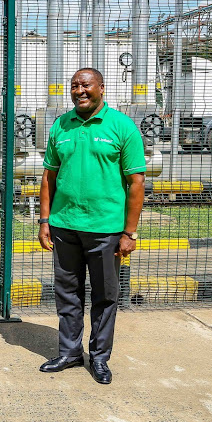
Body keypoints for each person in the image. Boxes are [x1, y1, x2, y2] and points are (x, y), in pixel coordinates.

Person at [38, 68, 145, 385]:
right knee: (67, 294)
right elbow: (48, 177)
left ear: (101, 87)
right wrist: (45, 221)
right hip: (64, 226)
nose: (79, 90)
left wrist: (129, 232)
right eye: (74, 86)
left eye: (85, 85)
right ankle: (70, 353)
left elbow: (136, 182)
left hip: (106, 230)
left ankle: (99, 358)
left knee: (104, 297)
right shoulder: (61, 125)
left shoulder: (122, 127)